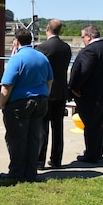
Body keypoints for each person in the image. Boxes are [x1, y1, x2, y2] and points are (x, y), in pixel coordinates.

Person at [0, 28, 53, 182]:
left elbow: (7, 85)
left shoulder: (17, 58)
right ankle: (31, 171)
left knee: (16, 138)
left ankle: (16, 172)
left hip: (20, 103)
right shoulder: (42, 57)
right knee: (33, 137)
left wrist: (2, 104)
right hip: (40, 100)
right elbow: (50, 80)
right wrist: (45, 95)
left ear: (16, 41)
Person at [68, 24, 103, 163]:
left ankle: (91, 154)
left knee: (90, 126)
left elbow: (82, 72)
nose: (82, 39)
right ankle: (97, 152)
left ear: (89, 36)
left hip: (90, 95)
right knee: (99, 125)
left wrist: (74, 88)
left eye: (83, 36)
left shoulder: (90, 51)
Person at [35, 19, 72, 169]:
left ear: (48, 29)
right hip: (61, 91)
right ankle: (56, 159)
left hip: (46, 91)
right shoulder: (66, 48)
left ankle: (39, 160)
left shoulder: (42, 48)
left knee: (42, 128)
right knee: (58, 128)